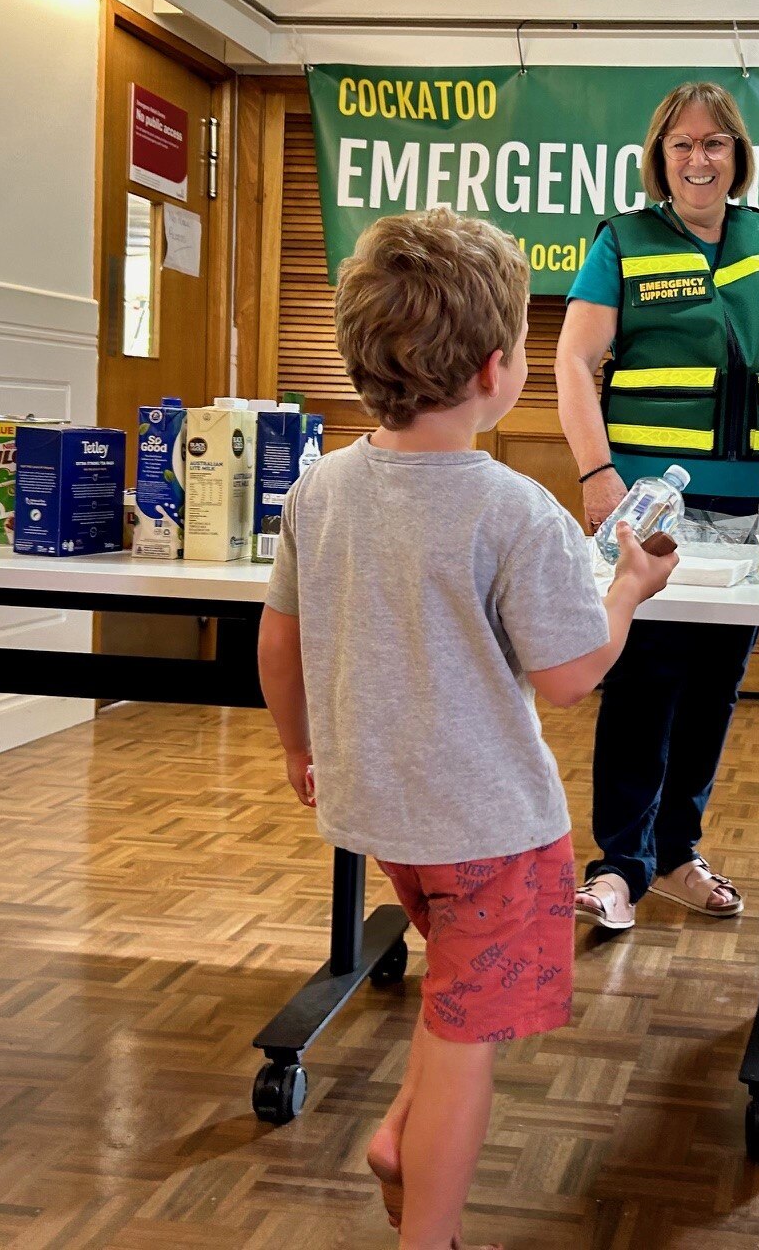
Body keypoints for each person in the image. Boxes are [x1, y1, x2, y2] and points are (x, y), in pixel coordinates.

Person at [258, 207, 677, 1250]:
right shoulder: (518, 510)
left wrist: (298, 751)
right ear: (497, 370)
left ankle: (407, 1136)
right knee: (465, 1038)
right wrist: (628, 589)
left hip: (385, 822)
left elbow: (277, 640)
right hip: (495, 834)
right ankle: (423, 1220)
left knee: (453, 1002)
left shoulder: (319, 492)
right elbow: (575, 674)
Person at [555, 81, 759, 933]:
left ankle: (676, 855)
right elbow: (575, 364)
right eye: (681, 144)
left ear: (737, 156)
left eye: (714, 143)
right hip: (654, 507)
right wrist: (594, 472)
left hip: (758, 503)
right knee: (643, 684)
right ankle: (617, 867)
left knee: (716, 689)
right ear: (659, 157)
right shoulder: (622, 241)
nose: (698, 159)